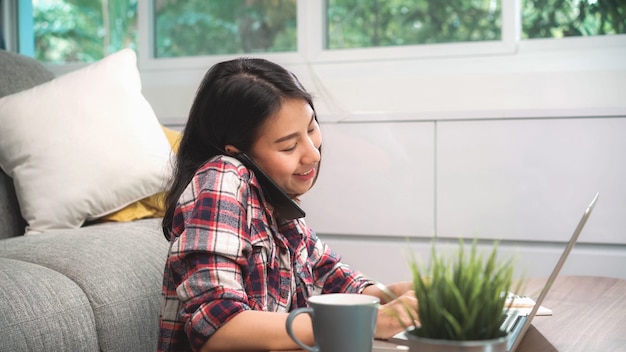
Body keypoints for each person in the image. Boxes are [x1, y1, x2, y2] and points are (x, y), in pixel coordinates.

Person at [158, 57, 417, 352]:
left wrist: (392, 295)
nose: (313, 155)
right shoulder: (222, 176)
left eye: (311, 128)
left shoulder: (276, 202)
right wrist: (369, 321)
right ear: (238, 152)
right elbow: (219, 328)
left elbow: (326, 275)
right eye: (289, 146)